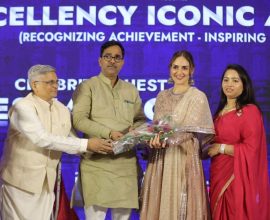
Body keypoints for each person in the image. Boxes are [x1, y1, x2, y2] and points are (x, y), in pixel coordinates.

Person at [0, 64, 113, 220]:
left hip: (48, 182)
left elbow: (70, 139)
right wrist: (86, 144)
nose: (55, 86)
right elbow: (41, 138)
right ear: (34, 85)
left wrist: (102, 147)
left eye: (56, 82)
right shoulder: (22, 107)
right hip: (20, 183)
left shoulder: (62, 109)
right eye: (50, 82)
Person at [72, 40, 146, 220]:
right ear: (100, 61)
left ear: (122, 62)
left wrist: (133, 132)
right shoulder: (87, 86)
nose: (112, 61)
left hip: (125, 165)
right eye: (108, 57)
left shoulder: (131, 90)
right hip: (96, 164)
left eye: (117, 57)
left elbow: (140, 120)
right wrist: (109, 133)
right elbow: (78, 120)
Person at [140, 50, 215, 220]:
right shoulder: (162, 96)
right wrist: (151, 140)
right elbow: (157, 128)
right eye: (175, 67)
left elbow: (190, 132)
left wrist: (167, 140)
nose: (179, 72)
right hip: (161, 160)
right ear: (169, 69)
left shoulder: (197, 97)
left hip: (184, 157)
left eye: (184, 68)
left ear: (192, 71)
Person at [208, 64, 270, 220]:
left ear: (244, 85)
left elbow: (252, 149)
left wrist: (221, 148)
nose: (229, 84)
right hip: (217, 174)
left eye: (235, 80)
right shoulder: (219, 112)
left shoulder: (250, 111)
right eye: (226, 80)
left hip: (236, 177)